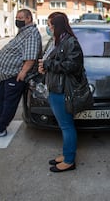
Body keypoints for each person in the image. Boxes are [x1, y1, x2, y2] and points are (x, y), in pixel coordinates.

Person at [0, 9, 41, 139]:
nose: (18, 20)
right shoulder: (23, 32)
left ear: (29, 19)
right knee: (0, 98)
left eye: (21, 17)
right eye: (17, 17)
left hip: (16, 75)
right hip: (8, 75)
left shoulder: (31, 33)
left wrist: (23, 72)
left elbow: (31, 57)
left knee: (8, 103)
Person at [38, 12, 84, 172]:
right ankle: (66, 154)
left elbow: (73, 65)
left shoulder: (70, 42)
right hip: (55, 88)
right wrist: (45, 66)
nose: (48, 28)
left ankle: (69, 161)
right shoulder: (58, 41)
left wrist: (49, 64)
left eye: (50, 25)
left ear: (57, 26)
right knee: (63, 125)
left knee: (66, 126)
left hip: (62, 90)